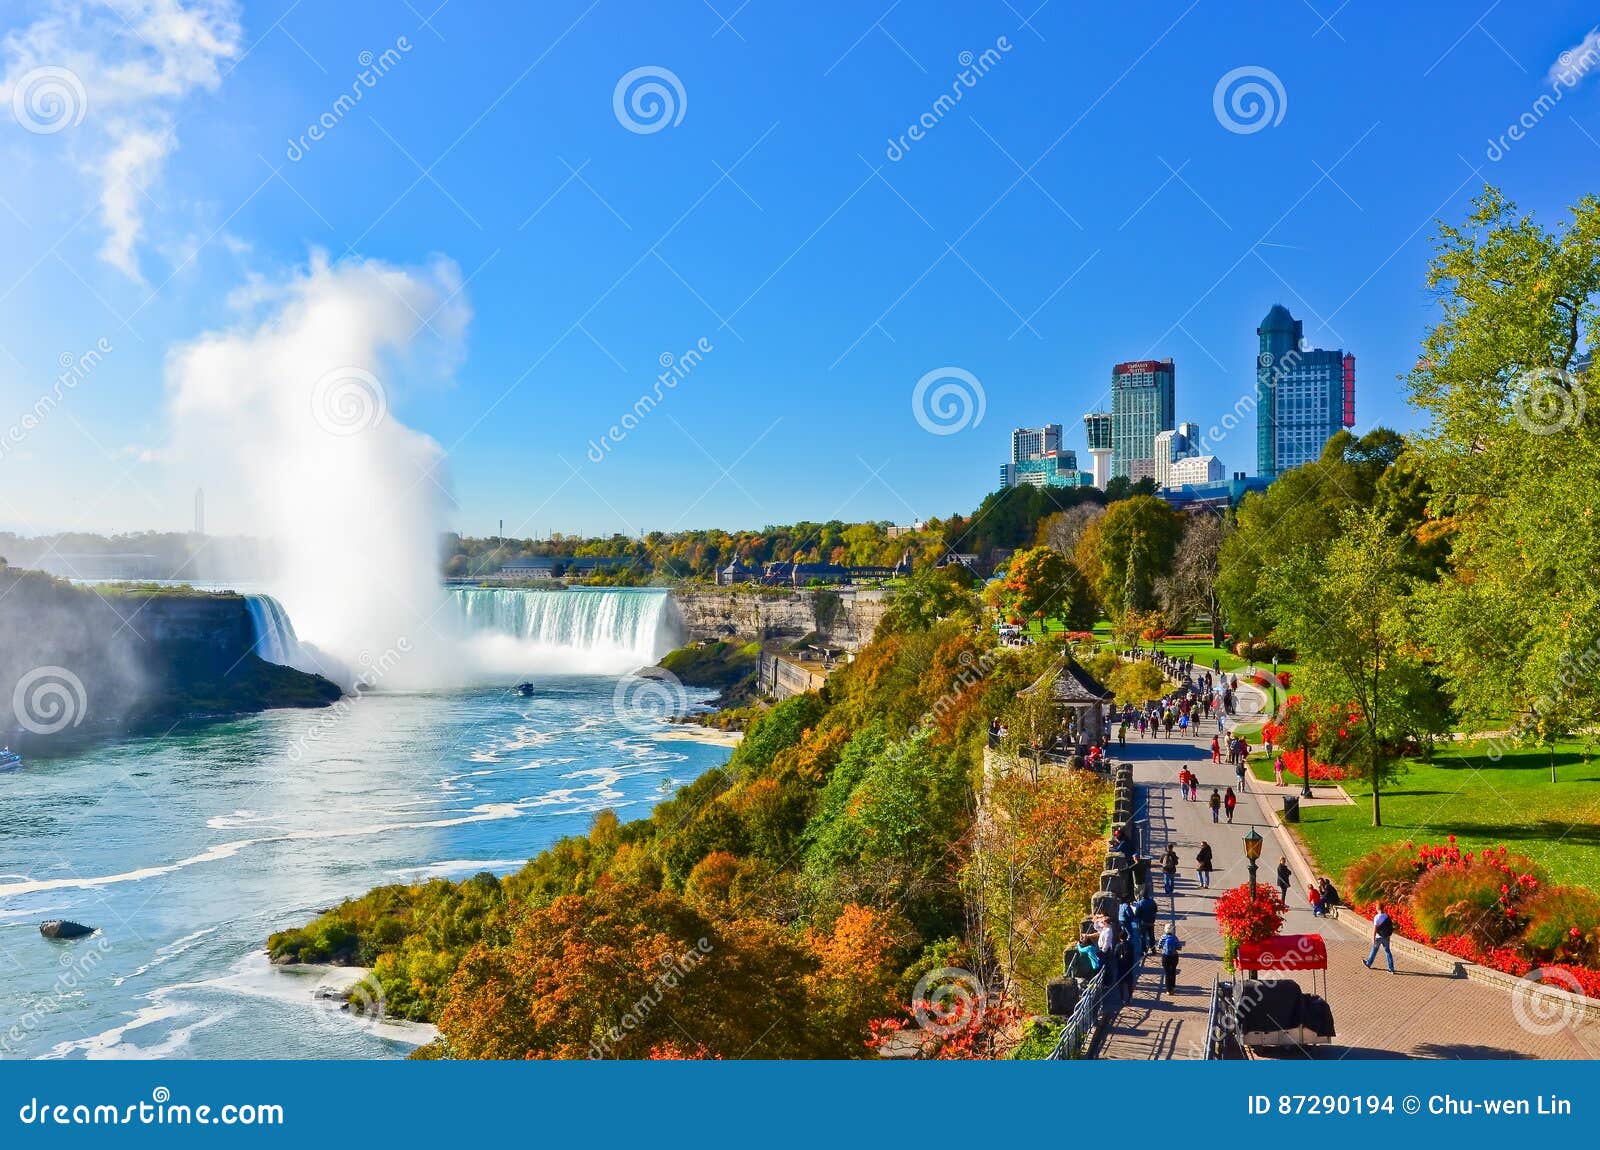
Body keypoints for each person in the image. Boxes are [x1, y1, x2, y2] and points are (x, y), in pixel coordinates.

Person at [1365, 904, 1397, 972]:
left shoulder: (1377, 917)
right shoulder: (1386, 916)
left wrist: (1373, 938)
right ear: (1383, 908)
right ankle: (1391, 968)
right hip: (1386, 937)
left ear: (1377, 908)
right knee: (1387, 951)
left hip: (1378, 937)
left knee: (1374, 950)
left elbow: (1375, 929)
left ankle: (1368, 963)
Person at [1158, 923, 1184, 994]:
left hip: (1165, 956)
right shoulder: (1175, 938)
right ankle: (1172, 987)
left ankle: (1168, 990)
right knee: (1173, 972)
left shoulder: (1163, 937)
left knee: (1167, 973)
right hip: (1174, 956)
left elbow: (1159, 946)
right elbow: (1179, 947)